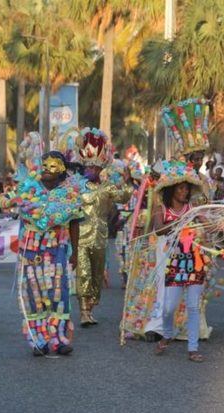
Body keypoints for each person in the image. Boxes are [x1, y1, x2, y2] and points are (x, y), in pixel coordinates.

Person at [0, 149, 83, 356]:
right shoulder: (28, 187)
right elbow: (4, 201)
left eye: (52, 166)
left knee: (59, 292)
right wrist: (7, 200)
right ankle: (38, 339)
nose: (46, 170)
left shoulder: (70, 193)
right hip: (31, 248)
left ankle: (59, 338)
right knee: (34, 293)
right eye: (43, 165)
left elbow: (74, 223)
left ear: (61, 170)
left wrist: (75, 253)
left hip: (57, 247)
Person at [76, 127, 133, 326]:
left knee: (97, 275)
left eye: (94, 168)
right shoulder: (76, 187)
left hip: (100, 237)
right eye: (87, 167)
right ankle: (83, 311)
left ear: (100, 169)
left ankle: (90, 308)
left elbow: (124, 196)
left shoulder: (107, 186)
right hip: (81, 238)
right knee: (83, 273)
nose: (90, 171)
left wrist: (128, 181)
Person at [153, 172, 207, 362]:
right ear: (172, 190)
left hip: (195, 261)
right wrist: (180, 222)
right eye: (181, 188)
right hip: (174, 263)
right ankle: (167, 333)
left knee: (193, 307)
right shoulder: (161, 209)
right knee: (168, 308)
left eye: (187, 189)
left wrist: (215, 225)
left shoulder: (193, 208)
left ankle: (193, 348)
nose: (185, 192)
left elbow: (207, 226)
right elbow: (158, 229)